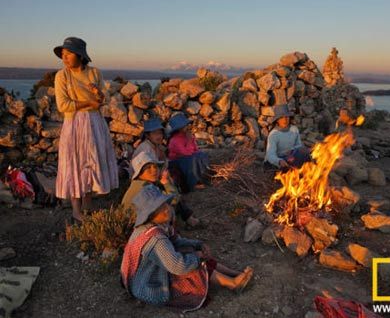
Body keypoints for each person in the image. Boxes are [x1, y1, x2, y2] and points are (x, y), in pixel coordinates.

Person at [121, 184, 253, 311]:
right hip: (147, 285)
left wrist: (198, 245)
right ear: (150, 215)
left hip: (146, 275)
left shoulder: (158, 227)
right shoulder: (155, 239)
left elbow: (177, 241)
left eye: (165, 204)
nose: (166, 209)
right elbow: (177, 266)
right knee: (192, 264)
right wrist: (197, 256)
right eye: (159, 208)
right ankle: (232, 283)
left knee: (191, 253)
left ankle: (234, 273)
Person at [53, 37, 118, 222]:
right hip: (74, 124)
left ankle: (88, 205)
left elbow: (100, 102)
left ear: (80, 55)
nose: (64, 58)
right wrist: (88, 102)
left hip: (94, 122)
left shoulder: (94, 73)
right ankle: (76, 210)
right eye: (62, 55)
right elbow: (63, 105)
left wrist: (98, 96)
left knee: (91, 161)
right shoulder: (62, 76)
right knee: (74, 163)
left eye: (68, 54)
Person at [122, 151, 201, 228]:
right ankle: (186, 223)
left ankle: (188, 220)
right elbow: (174, 199)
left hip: (136, 220)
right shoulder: (145, 187)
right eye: (148, 168)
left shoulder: (142, 183)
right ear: (140, 173)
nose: (154, 170)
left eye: (155, 167)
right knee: (171, 200)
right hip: (136, 224)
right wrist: (166, 182)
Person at [167, 113, 210, 192]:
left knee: (202, 155)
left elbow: (196, 150)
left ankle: (204, 176)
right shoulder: (174, 140)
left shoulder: (187, 135)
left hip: (187, 158)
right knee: (193, 159)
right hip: (177, 162)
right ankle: (193, 183)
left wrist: (191, 140)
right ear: (179, 128)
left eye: (187, 125)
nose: (187, 127)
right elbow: (186, 153)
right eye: (185, 126)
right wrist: (190, 140)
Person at [264, 104, 311, 170]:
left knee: (307, 156)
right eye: (281, 117)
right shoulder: (274, 135)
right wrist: (279, 161)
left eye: (287, 117)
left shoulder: (294, 129)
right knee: (288, 165)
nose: (285, 120)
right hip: (278, 160)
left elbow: (298, 145)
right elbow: (270, 155)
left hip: (291, 156)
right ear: (277, 120)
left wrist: (299, 150)